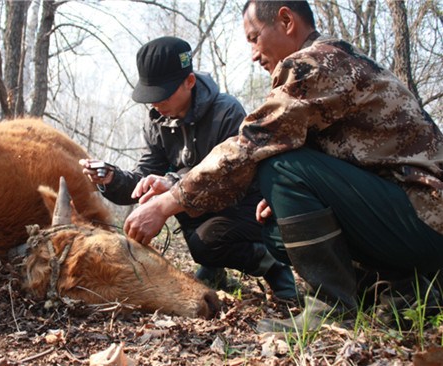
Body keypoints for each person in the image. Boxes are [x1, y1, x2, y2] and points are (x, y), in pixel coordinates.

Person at [123, 1, 443, 330]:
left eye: (253, 38)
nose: (252, 53)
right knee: (278, 230)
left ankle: (330, 311)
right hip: (410, 218)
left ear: (286, 20)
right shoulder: (327, 65)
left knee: (282, 166)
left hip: (427, 215)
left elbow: (250, 144)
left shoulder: (318, 62)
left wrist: (166, 203)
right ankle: (405, 287)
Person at [80, 36, 297, 299]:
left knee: (206, 242)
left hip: (248, 206)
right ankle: (213, 267)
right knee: (198, 233)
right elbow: (145, 176)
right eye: (150, 96)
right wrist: (112, 179)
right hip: (198, 208)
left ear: (189, 82)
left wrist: (172, 184)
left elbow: (232, 181)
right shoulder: (157, 121)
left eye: (162, 94)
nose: (155, 103)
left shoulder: (226, 113)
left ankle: (274, 267)